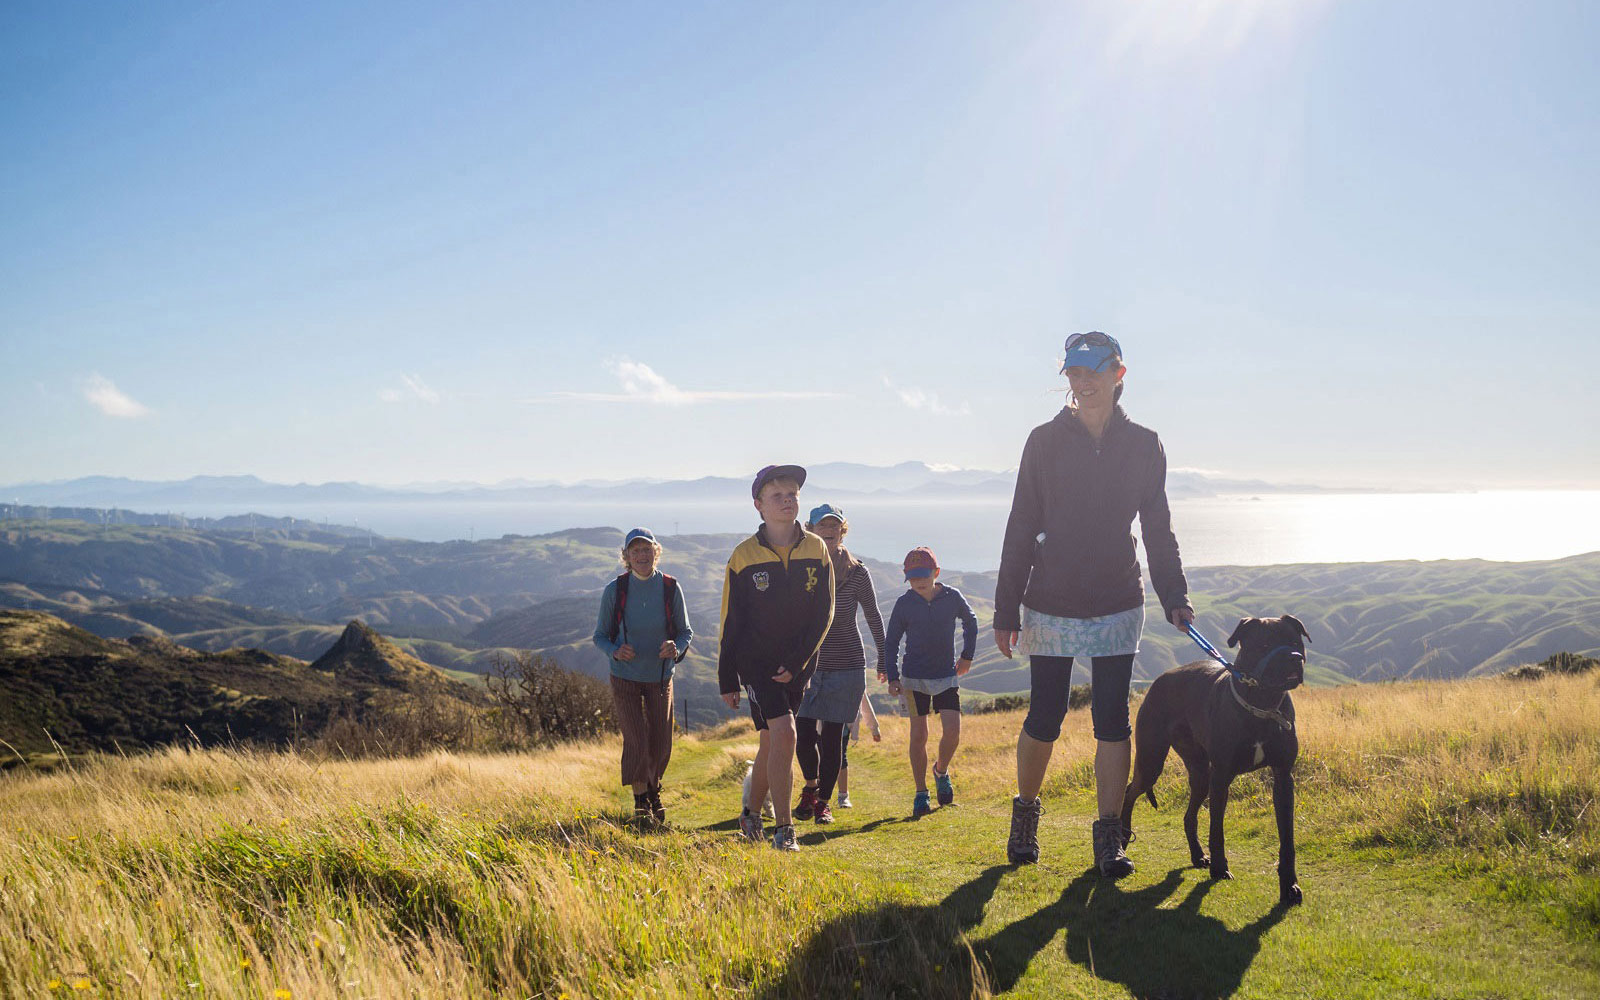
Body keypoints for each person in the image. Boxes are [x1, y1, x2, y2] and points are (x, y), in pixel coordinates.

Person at [993, 331, 1194, 877]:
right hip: (1050, 600)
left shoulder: (1145, 444)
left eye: (1093, 374)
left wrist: (1174, 595)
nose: (1082, 385)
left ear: (1118, 374)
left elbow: (1158, 528)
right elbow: (1020, 525)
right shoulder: (1043, 442)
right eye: (1073, 375)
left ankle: (1110, 839)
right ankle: (1025, 819)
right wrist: (1005, 609)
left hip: (1117, 599)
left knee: (1112, 720)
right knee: (1045, 714)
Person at [719, 465, 836, 851]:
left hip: (799, 664)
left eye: (792, 495)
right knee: (785, 731)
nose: (787, 501)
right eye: (777, 496)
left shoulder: (816, 548)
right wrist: (727, 677)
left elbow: (825, 612)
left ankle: (750, 816)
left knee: (773, 741)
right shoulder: (743, 556)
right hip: (756, 663)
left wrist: (800, 662)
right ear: (759, 505)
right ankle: (784, 829)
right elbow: (730, 621)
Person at [792, 503, 886, 825]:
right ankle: (811, 787)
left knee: (833, 739)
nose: (829, 530)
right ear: (811, 529)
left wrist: (885, 659)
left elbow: (873, 615)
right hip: (808, 667)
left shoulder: (858, 572)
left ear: (842, 529)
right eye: (823, 525)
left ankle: (822, 803)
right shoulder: (802, 567)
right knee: (802, 735)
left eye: (835, 525)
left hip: (847, 666)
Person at [592, 527, 692, 825]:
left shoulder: (671, 587)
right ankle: (641, 803)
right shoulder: (616, 590)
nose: (641, 556)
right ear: (626, 556)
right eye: (635, 551)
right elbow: (599, 636)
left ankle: (653, 790)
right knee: (636, 739)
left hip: (660, 677)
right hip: (624, 677)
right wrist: (614, 650)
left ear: (655, 552)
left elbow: (685, 632)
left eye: (646, 550)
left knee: (661, 743)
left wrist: (677, 647)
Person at [883, 546, 977, 817]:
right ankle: (921, 793)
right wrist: (892, 676)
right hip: (913, 679)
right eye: (913, 578)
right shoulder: (904, 603)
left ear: (936, 572)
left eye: (924, 575)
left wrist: (967, 657)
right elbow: (891, 643)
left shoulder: (952, 597)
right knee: (918, 735)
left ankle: (941, 771)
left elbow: (971, 622)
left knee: (952, 732)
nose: (919, 582)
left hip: (947, 676)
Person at [836, 691, 882, 809]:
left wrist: (874, 729)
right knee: (823, 757)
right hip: (822, 720)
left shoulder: (854, 673)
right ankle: (818, 794)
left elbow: (864, 702)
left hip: (844, 722)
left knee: (840, 757)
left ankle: (843, 796)